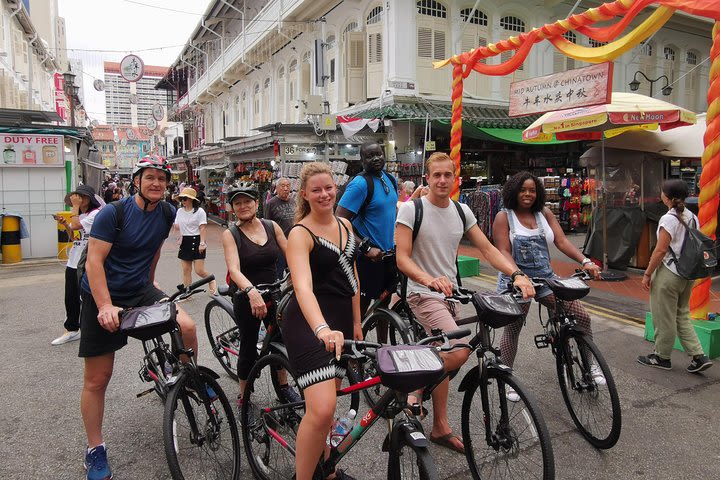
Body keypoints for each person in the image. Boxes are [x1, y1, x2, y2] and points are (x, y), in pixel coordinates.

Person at [396, 152, 535, 454]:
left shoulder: (462, 212)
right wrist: (429, 279)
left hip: (450, 295)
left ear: (456, 179)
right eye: (437, 175)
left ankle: (440, 426)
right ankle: (413, 388)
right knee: (457, 349)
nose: (443, 180)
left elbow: (488, 248)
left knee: (442, 350)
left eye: (448, 175)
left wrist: (517, 274)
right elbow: (402, 258)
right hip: (422, 292)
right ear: (428, 179)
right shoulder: (411, 210)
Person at [79, 155, 198, 480]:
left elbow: (154, 248)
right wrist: (105, 306)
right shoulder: (111, 214)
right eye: (150, 178)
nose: (157, 183)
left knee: (187, 326)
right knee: (98, 379)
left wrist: (151, 280)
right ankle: (95, 450)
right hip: (102, 294)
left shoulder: (166, 211)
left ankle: (188, 379)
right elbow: (94, 263)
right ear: (137, 181)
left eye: (162, 178)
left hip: (139, 287)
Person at [492, 171, 603, 402]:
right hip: (516, 282)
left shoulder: (544, 214)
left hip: (545, 279)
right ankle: (506, 378)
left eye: (532, 190)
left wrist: (585, 261)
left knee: (581, 317)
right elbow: (502, 251)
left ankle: (590, 366)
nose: (528, 194)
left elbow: (562, 241)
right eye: (523, 190)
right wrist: (518, 276)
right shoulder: (504, 217)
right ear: (514, 191)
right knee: (513, 329)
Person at [285, 162, 361, 480]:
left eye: (328, 187)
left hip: (342, 323)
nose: (324, 194)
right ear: (304, 194)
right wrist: (322, 329)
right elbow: (302, 287)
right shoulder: (299, 233)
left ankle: (326, 470)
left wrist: (357, 322)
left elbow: (353, 276)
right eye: (316, 190)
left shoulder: (346, 225)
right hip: (307, 321)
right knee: (322, 408)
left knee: (330, 404)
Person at [221, 185, 299, 422]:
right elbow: (233, 268)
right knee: (248, 347)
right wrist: (251, 291)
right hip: (246, 295)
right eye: (237, 203)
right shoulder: (230, 234)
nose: (243, 206)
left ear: (257, 203)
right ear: (233, 209)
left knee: (280, 338)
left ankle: (283, 387)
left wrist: (301, 276)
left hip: (273, 291)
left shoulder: (271, 226)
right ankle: (244, 398)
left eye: (247, 201)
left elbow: (291, 254)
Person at [638, 179, 713, 373]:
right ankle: (698, 356)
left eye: (662, 191)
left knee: (664, 317)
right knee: (681, 315)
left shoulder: (668, 219)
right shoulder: (692, 217)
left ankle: (661, 357)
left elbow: (660, 250)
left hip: (669, 274)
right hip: (686, 274)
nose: (660, 194)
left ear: (669, 197)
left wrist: (647, 274)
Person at [337, 142, 399, 316]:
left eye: (378, 154)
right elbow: (340, 222)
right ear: (362, 160)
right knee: (360, 311)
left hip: (387, 256)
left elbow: (390, 212)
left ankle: (382, 344)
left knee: (383, 308)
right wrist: (366, 248)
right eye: (370, 156)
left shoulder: (390, 179)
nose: (376, 159)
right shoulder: (360, 184)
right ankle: (357, 342)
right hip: (366, 258)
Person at [51, 185, 103, 346]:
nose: (78, 200)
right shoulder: (80, 215)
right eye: (76, 197)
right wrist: (65, 224)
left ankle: (94, 329)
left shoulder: (95, 214)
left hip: (87, 262)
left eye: (81, 197)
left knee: (87, 297)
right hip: (73, 261)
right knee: (71, 297)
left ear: (89, 199)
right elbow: (74, 236)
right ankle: (72, 329)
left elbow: (76, 226)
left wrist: (73, 209)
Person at [173, 187, 217, 295]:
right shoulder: (179, 211)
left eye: (185, 198)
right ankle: (187, 293)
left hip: (197, 239)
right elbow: (177, 226)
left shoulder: (199, 211)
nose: (183, 201)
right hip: (185, 241)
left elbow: (202, 228)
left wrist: (202, 243)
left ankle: (211, 279)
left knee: (199, 270)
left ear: (191, 199)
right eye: (181, 199)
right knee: (186, 270)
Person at [263, 177, 295, 276]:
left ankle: (291, 291)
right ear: (277, 188)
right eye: (283, 186)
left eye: (288, 186)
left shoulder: (293, 202)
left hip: (293, 244)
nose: (285, 188)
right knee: (278, 274)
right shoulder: (271, 203)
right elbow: (267, 225)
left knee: (293, 272)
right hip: (279, 246)